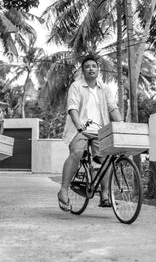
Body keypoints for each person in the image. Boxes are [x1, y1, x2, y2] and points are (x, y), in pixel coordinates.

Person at [57, 55, 122, 211]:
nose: (91, 68)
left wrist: (121, 125)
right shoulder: (76, 86)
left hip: (100, 130)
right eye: (87, 66)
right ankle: (63, 190)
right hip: (80, 128)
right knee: (77, 152)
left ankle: (105, 195)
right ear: (83, 70)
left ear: (98, 69)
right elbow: (72, 108)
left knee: (105, 158)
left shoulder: (105, 88)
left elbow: (112, 107)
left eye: (94, 66)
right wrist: (80, 127)